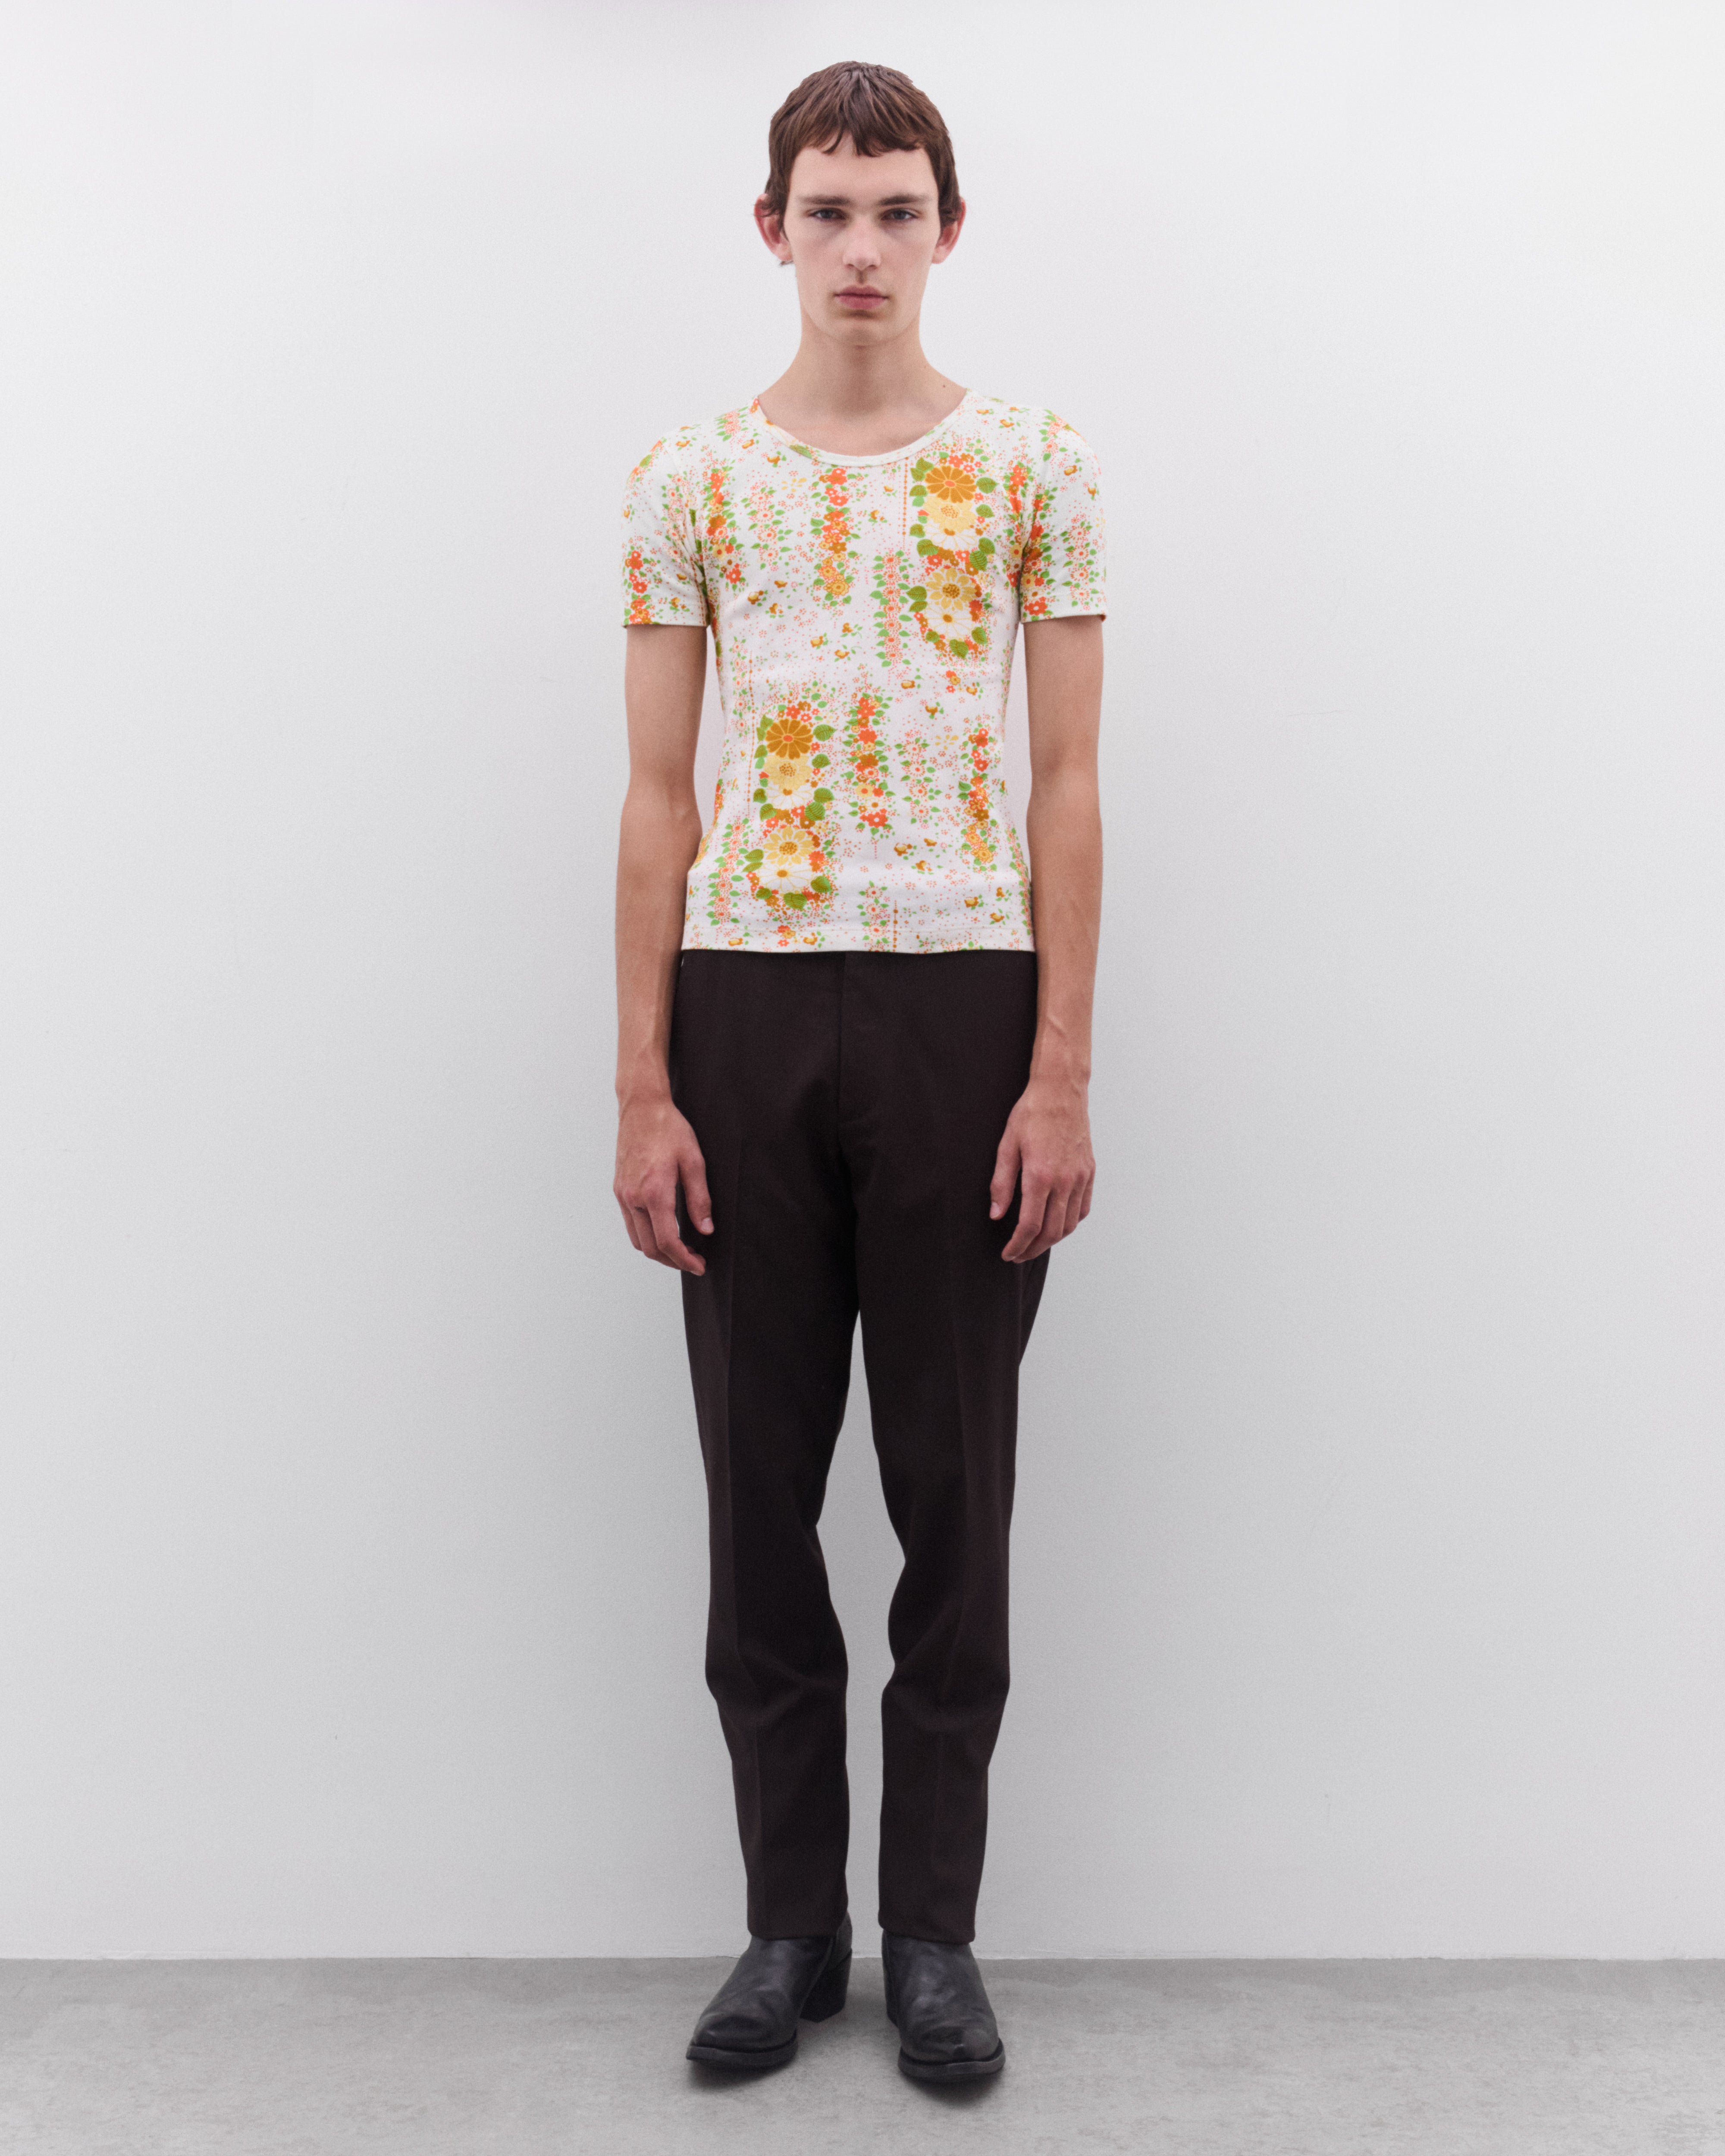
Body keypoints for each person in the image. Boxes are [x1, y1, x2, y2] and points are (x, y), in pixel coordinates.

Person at [612, 59, 1105, 2084]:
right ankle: (786, 1925)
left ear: (947, 229)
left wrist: (1058, 1069)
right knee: (757, 1491)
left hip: (960, 1001)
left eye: (897, 210)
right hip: (741, 999)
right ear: (773, 229)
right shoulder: (688, 479)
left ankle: (935, 1935)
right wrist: (642, 1083)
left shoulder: (1036, 465)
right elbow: (658, 797)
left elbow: (1067, 784)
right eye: (828, 209)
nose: (863, 247)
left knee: (951, 1491)